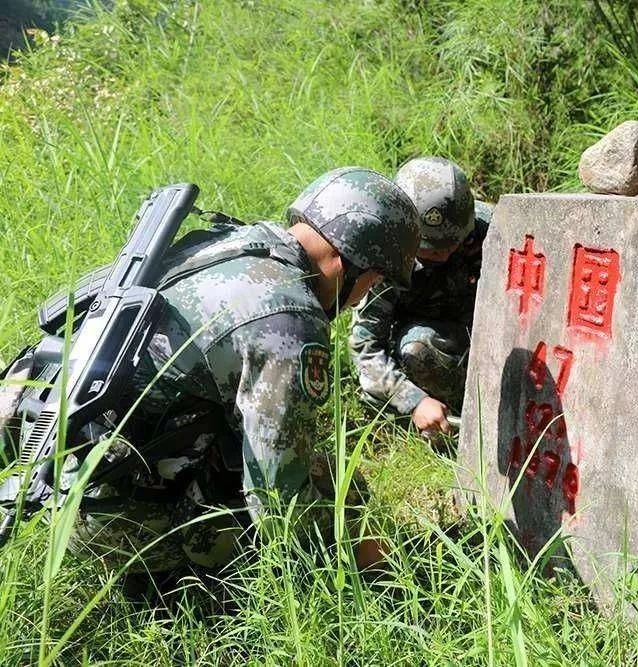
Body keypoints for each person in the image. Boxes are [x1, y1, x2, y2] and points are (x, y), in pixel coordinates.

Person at [3, 167, 420, 578]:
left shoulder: (236, 242)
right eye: (375, 279)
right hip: (109, 521)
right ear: (344, 262)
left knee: (321, 471)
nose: (361, 299)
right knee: (330, 492)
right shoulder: (289, 321)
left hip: (67, 457)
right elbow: (278, 505)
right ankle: (176, 586)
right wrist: (367, 557)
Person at [349, 157, 492, 436]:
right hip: (431, 350)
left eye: (451, 243)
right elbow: (365, 346)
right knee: (416, 347)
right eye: (428, 245)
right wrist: (413, 401)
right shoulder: (386, 257)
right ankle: (447, 416)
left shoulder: (494, 230)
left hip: (490, 338)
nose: (442, 254)